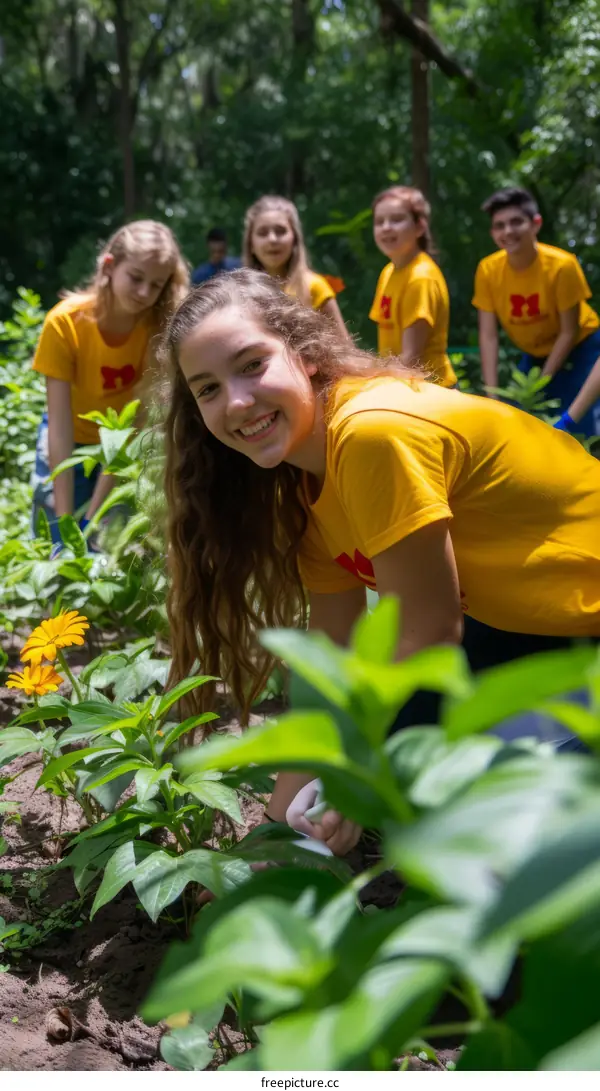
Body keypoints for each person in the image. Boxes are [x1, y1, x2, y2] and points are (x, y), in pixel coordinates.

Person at [161, 268, 600, 855]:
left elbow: (430, 631)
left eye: (251, 364)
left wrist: (352, 775)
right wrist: (268, 846)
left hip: (573, 632)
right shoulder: (305, 484)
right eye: (207, 389)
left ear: (307, 353)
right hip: (527, 631)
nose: (236, 401)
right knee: (369, 758)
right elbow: (329, 665)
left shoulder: (373, 436)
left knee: (477, 844)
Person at [32, 220, 189, 544]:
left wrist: (94, 514)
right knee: (50, 542)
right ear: (109, 266)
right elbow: (58, 426)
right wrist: (64, 524)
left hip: (118, 444)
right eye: (136, 278)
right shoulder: (64, 324)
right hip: (66, 439)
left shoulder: (157, 328)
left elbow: (136, 421)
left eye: (156, 284)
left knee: (105, 541)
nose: (145, 292)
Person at [473, 186, 600, 436]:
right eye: (499, 225)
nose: (507, 231)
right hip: (533, 354)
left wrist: (544, 380)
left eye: (516, 222)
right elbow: (488, 336)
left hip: (580, 347)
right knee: (523, 422)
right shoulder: (488, 270)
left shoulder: (562, 266)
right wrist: (491, 394)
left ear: (536, 223)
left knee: (578, 429)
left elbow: (569, 331)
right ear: (492, 232)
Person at [369, 186, 456, 387]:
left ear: (419, 227)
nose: (386, 227)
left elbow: (410, 358)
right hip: (403, 387)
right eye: (379, 222)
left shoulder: (420, 277)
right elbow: (388, 348)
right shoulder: (388, 272)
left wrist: (369, 378)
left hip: (433, 391)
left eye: (397, 219)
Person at [242, 195, 349, 339]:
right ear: (251, 245)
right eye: (262, 233)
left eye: (280, 231)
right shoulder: (241, 293)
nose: (272, 239)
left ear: (295, 239)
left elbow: (346, 353)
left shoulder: (314, 287)